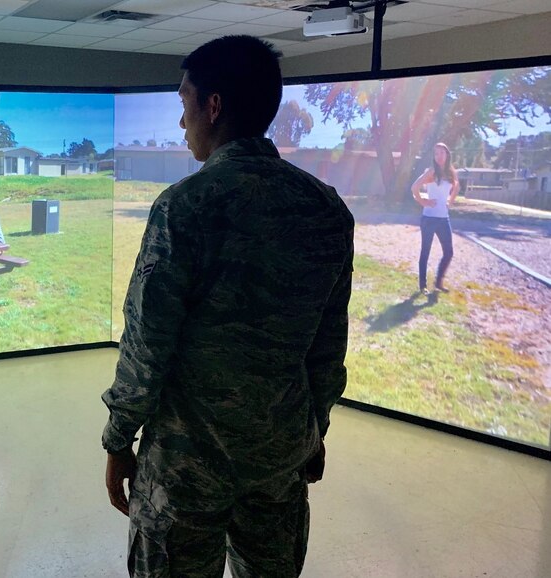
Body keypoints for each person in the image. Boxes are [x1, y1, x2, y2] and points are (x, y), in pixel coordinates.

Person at [101, 35, 354, 577]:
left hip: (186, 463)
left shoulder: (184, 208)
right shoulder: (326, 209)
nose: (181, 121)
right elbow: (328, 349)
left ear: (212, 107)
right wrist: (314, 430)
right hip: (279, 453)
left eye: (184, 104)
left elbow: (147, 345)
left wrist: (119, 437)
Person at [411, 142, 459, 294]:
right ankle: (422, 286)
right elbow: (414, 187)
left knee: (449, 252)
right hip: (429, 218)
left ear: (447, 154)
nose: (439, 156)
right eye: (436, 153)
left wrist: (449, 202)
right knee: (425, 252)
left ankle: (438, 283)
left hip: (444, 219)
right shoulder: (431, 171)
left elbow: (456, 187)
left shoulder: (451, 172)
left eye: (442, 153)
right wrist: (422, 201)